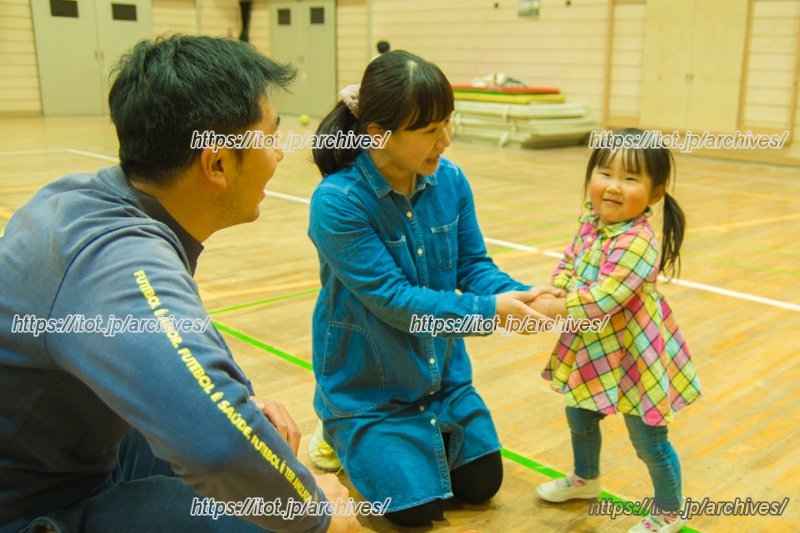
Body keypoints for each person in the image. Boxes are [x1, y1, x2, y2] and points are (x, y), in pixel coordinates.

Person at [0, 35, 358, 533]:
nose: (279, 154)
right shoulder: (119, 260)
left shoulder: (80, 200)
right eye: (270, 137)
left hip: (79, 454)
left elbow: (179, 358)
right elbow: (220, 448)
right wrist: (317, 515)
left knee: (259, 453)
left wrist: (236, 408)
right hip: (35, 507)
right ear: (216, 164)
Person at [306, 50, 559, 527]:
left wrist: (530, 297)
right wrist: (491, 312)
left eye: (448, 122)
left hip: (442, 382)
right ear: (378, 134)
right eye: (428, 130)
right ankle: (339, 430)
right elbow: (396, 301)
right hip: (370, 395)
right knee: (413, 514)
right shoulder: (337, 202)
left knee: (482, 486)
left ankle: (415, 447)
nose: (445, 139)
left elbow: (474, 266)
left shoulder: (451, 180)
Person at [527, 128, 701, 533]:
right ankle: (586, 480)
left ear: (655, 193)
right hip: (594, 347)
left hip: (634, 355)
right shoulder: (591, 219)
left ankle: (669, 512)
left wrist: (552, 307)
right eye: (605, 173)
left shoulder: (638, 241)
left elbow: (604, 299)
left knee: (648, 440)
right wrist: (559, 283)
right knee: (580, 414)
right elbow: (571, 260)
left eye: (630, 178)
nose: (613, 187)